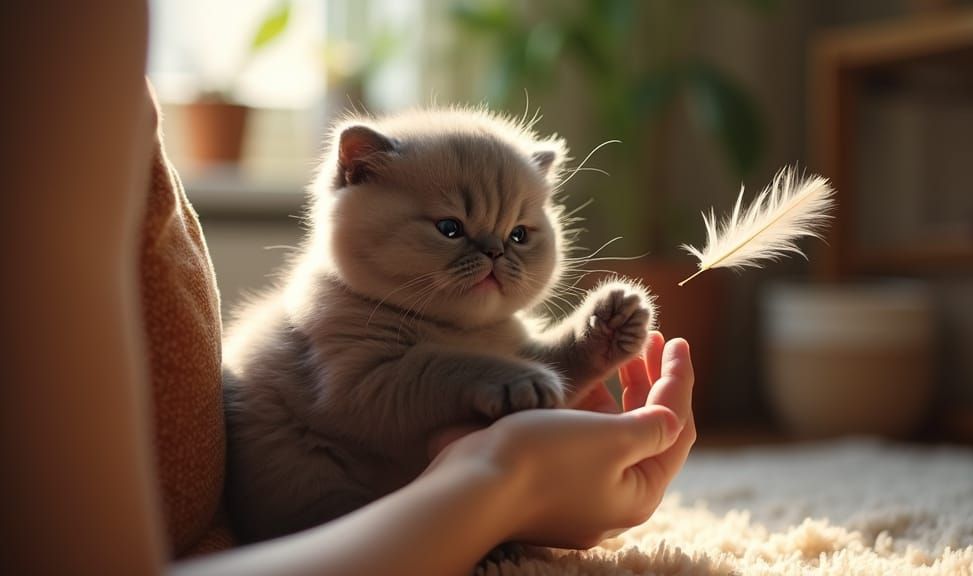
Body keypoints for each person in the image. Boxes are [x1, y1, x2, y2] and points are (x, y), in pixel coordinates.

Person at [1, 2, 696, 575]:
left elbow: (510, 383)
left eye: (520, 236)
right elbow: (368, 393)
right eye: (451, 229)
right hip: (318, 494)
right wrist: (503, 466)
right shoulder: (337, 307)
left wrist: (578, 353)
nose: (492, 256)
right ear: (358, 174)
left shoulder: (486, 327)